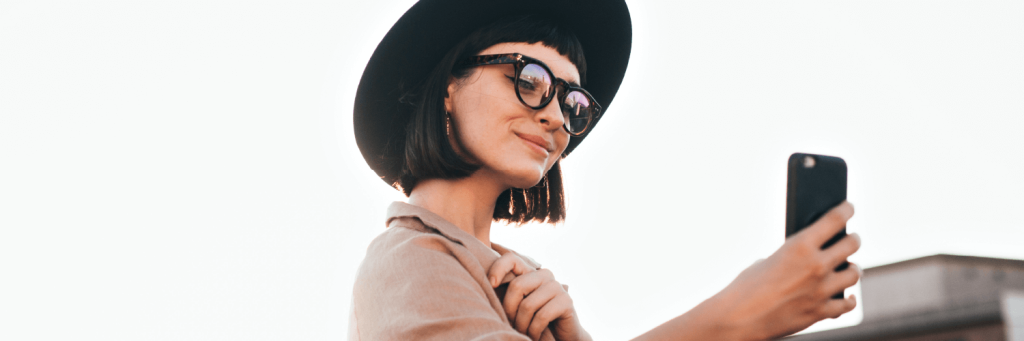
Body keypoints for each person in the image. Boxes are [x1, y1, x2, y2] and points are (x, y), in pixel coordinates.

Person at [348, 1, 862, 340]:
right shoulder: (408, 260)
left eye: (573, 102)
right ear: (449, 87)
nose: (555, 116)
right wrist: (741, 313)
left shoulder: (521, 284)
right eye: (528, 78)